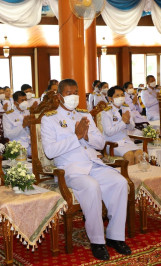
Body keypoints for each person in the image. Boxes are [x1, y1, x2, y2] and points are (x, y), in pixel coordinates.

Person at [41, 79, 131, 260]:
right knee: (91, 186)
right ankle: (98, 241)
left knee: (120, 182)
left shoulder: (85, 115)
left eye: (76, 92)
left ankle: (115, 236)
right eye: (68, 93)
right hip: (70, 169)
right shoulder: (49, 119)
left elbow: (100, 142)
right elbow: (50, 152)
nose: (73, 96)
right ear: (59, 97)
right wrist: (76, 136)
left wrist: (87, 134)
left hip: (92, 163)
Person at [101, 86, 143, 165]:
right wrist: (123, 122)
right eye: (117, 95)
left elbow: (131, 127)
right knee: (129, 155)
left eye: (122, 95)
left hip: (126, 141)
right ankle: (128, 177)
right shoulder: (106, 112)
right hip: (113, 143)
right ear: (110, 98)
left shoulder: (125, 108)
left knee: (140, 154)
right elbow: (108, 132)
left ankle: (138, 177)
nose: (120, 97)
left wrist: (127, 123)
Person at [3, 91, 31, 155]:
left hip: (29, 144)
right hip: (17, 146)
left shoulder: (28, 112)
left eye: (25, 100)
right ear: (15, 103)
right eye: (22, 100)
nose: (25, 102)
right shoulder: (8, 115)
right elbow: (8, 135)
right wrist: (23, 126)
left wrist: (30, 126)